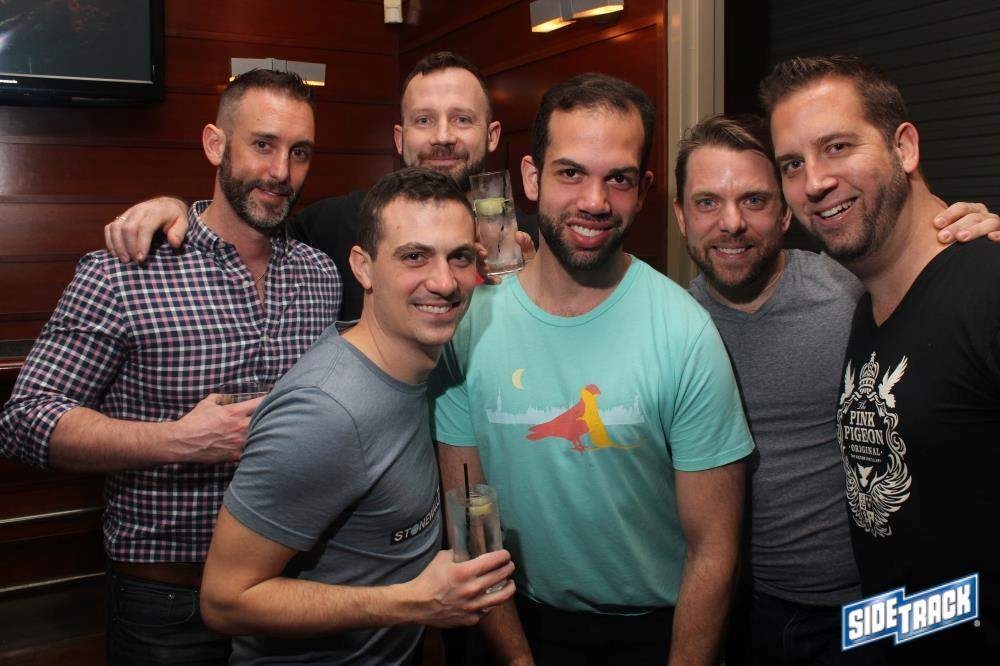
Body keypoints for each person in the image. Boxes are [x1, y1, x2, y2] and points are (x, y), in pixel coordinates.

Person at [0, 69, 341, 664]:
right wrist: (180, 440)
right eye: (263, 144)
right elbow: (25, 419)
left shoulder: (320, 275)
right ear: (215, 144)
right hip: (167, 602)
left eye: (299, 152)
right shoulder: (124, 271)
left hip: (292, 589)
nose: (281, 172)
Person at [431, 73, 754, 664]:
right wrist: (518, 660)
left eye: (619, 179)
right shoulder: (467, 328)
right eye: (571, 173)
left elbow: (713, 551)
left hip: (656, 635)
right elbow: (472, 528)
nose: (595, 202)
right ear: (531, 178)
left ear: (644, 189)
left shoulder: (685, 332)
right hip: (515, 621)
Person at [673, 113, 998, 664]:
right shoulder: (673, 326)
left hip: (869, 607)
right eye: (707, 202)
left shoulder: (853, 293)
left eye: (754, 200)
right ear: (681, 216)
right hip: (738, 605)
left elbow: (935, 280)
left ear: (785, 212)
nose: (731, 223)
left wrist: (980, 239)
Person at [198, 167, 516, 665]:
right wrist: (413, 603)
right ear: (363, 268)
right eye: (414, 256)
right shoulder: (325, 414)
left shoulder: (416, 365)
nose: (444, 282)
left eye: (458, 257)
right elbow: (224, 601)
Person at [761, 54, 1000, 661]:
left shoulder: (987, 287)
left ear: (905, 147)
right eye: (793, 164)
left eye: (837, 147)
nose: (815, 182)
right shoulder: (866, 307)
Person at [104, 51, 538, 320]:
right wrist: (175, 209)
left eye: (462, 119)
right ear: (400, 137)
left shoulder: (530, 242)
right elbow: (248, 224)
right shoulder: (335, 224)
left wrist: (536, 292)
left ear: (492, 135)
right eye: (424, 120)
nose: (442, 137)